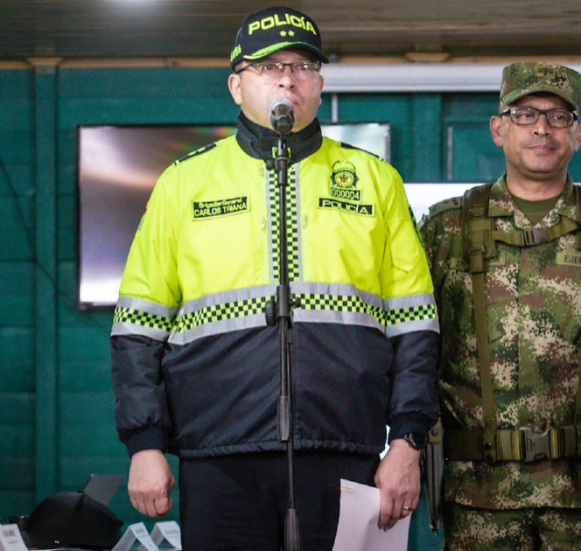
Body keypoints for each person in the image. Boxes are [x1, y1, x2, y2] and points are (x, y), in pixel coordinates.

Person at [109, 6, 438, 550]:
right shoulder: (182, 183)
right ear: (237, 86)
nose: (288, 77)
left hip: (343, 451)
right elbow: (137, 328)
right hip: (220, 455)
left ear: (320, 84)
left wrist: (406, 442)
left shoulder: (376, 182)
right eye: (268, 67)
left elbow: (416, 328)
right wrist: (145, 445)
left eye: (303, 65)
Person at [419, 62, 581, 551]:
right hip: (478, 501)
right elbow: (407, 346)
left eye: (558, 117)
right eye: (525, 114)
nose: (541, 128)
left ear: (578, 133)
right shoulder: (445, 231)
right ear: (498, 129)